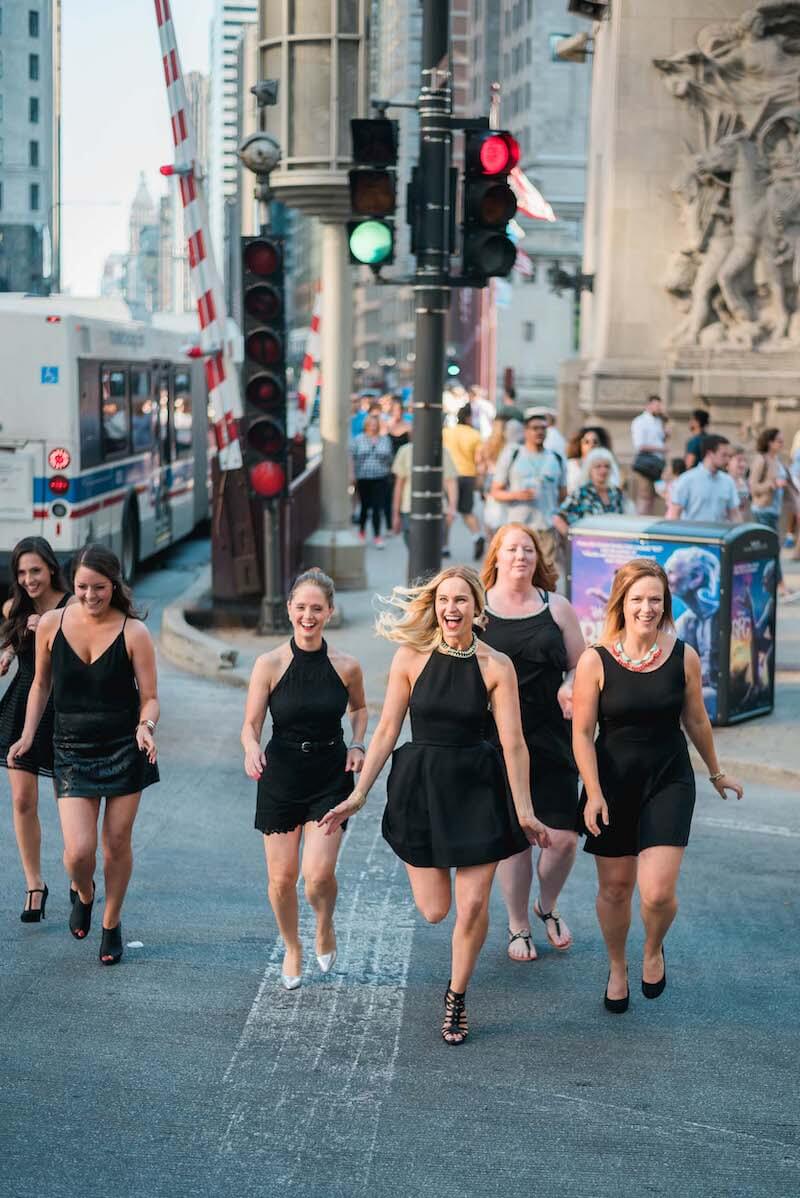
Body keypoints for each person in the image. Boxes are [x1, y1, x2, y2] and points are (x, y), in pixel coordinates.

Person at [319, 566, 550, 1045]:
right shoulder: (411, 658)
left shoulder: (496, 666)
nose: (451, 608)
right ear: (434, 606)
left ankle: (457, 997)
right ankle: (455, 979)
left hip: (478, 789)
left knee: (471, 906)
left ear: (476, 608)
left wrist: (525, 811)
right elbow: (385, 731)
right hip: (421, 790)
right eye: (444, 600)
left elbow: (514, 744)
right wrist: (359, 793)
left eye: (461, 600)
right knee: (434, 911)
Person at [572, 558, 743, 1013]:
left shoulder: (683, 655)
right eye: (637, 599)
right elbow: (582, 733)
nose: (646, 608)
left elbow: (696, 719)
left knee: (658, 893)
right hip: (610, 784)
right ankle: (616, 967)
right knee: (614, 889)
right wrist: (592, 791)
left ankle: (652, 949)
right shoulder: (596, 659)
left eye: (655, 599)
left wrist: (716, 770)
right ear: (621, 604)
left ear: (664, 603)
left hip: (669, 779)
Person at [8, 545, 159, 966]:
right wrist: (26, 736)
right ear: (71, 585)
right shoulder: (52, 624)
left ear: (114, 585)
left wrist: (146, 728)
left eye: (99, 588)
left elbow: (149, 698)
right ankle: (85, 892)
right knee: (78, 852)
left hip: (125, 748)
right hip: (71, 748)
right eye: (82, 587)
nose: (91, 596)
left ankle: (111, 924)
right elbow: (40, 686)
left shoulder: (134, 632)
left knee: (115, 845)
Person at [241, 569, 367, 991]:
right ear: (290, 610)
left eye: (317, 608)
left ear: (330, 612)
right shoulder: (269, 664)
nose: (308, 616)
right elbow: (251, 724)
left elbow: (360, 710)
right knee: (280, 879)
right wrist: (250, 748)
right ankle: (292, 946)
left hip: (330, 774)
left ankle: (324, 924)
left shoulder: (347, 666)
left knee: (317, 877)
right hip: (280, 776)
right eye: (301, 608)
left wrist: (359, 744)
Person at [479, 525, 585, 962]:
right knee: (516, 839)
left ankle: (548, 904)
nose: (521, 556)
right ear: (497, 557)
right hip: (497, 739)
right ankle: (518, 925)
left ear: (537, 558)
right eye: (512, 549)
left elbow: (583, 664)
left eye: (528, 549)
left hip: (551, 737)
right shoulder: (478, 607)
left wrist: (570, 685)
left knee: (562, 840)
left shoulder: (557, 608)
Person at [0, 539, 71, 922]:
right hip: (22, 704)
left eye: (36, 571)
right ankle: (34, 884)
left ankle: (79, 876)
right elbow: (11, 639)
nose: (29, 580)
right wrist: (9, 652)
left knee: (68, 804)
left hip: (63, 708)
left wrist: (49, 626)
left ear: (51, 569)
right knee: (22, 801)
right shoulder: (15, 607)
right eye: (22, 573)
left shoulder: (73, 605)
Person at [490, 409, 566, 568]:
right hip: (518, 528)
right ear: (526, 431)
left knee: (546, 576)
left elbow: (563, 494)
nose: (540, 432)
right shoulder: (513, 454)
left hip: (546, 528)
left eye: (543, 428)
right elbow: (495, 491)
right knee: (517, 574)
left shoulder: (556, 458)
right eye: (535, 428)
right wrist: (517, 495)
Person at [750, 428, 800, 597]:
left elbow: (790, 487)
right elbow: (753, 487)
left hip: (774, 512)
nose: (782, 443)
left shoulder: (778, 461)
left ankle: (773, 586)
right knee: (770, 550)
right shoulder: (761, 460)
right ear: (769, 442)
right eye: (778, 440)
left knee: (771, 550)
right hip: (762, 511)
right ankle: (780, 586)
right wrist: (772, 484)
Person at [391, 427, 458, 555]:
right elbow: (399, 485)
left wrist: (452, 508)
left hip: (437, 510)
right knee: (415, 553)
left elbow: (451, 482)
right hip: (409, 509)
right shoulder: (405, 451)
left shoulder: (442, 452)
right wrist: (395, 514)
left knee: (431, 553)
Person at [443, 404, 486, 561]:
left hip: (449, 476)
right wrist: (480, 482)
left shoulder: (446, 432)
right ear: (469, 418)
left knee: (448, 510)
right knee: (467, 511)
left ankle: (445, 546)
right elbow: (479, 460)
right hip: (468, 475)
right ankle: (477, 536)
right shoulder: (475, 435)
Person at [666, 434, 741, 523]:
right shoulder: (687, 479)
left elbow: (734, 515)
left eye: (729, 456)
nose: (728, 460)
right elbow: (674, 514)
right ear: (710, 454)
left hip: (719, 535)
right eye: (724, 455)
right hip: (692, 534)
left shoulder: (728, 481)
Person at [554, 448, 625, 537]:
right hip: (587, 545)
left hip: (612, 545)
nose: (603, 470)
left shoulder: (616, 493)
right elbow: (558, 518)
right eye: (598, 466)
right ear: (590, 469)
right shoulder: (581, 493)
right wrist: (572, 539)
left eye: (607, 466)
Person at [350, 412, 394, 548]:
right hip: (363, 477)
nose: (373, 427)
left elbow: (390, 458)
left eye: (375, 425)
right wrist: (351, 475)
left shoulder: (385, 440)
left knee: (377, 507)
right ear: (366, 425)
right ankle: (362, 532)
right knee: (364, 506)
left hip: (381, 477)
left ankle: (377, 536)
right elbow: (351, 458)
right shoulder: (358, 439)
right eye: (371, 424)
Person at [630, 395, 668, 515]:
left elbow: (658, 440)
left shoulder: (658, 421)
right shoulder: (640, 421)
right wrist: (661, 449)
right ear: (649, 405)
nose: (659, 408)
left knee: (653, 496)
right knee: (644, 495)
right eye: (657, 405)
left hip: (657, 464)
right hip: (646, 464)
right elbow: (640, 445)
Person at [565, 426, 618, 493]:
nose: (591, 445)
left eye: (595, 442)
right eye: (586, 442)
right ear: (579, 444)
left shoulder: (608, 463)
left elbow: (614, 484)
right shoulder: (570, 465)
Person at [727, 444, 751, 519]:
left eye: (745, 460)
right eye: (739, 460)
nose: (743, 464)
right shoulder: (724, 483)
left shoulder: (745, 483)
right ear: (728, 462)